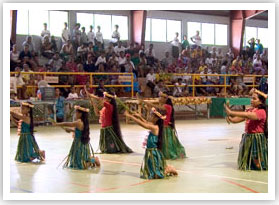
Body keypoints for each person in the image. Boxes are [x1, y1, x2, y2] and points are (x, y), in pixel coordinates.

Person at [124, 108, 178, 179]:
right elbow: (146, 122)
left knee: (157, 174)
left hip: (153, 152)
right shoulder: (153, 125)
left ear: (156, 118)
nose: (149, 116)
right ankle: (167, 168)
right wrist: (139, 116)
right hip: (149, 151)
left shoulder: (155, 127)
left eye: (151, 115)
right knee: (153, 171)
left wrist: (131, 117)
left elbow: (144, 125)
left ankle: (170, 169)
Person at [224, 90, 267, 170]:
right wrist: (230, 118)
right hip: (248, 138)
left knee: (258, 163)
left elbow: (247, 115)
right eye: (251, 98)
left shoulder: (262, 112)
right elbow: (235, 120)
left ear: (261, 101)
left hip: (256, 139)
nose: (251, 100)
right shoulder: (250, 110)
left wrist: (231, 112)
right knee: (249, 163)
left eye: (254, 99)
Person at [139, 92, 186, 159]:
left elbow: (157, 108)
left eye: (161, 97)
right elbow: (157, 112)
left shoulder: (167, 106)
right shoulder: (163, 106)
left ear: (165, 99)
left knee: (167, 143)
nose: (159, 98)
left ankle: (166, 154)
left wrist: (146, 102)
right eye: (160, 97)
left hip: (166, 127)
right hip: (162, 126)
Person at [85, 89, 132, 153]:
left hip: (109, 129)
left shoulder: (110, 106)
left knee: (111, 149)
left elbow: (100, 100)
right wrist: (92, 101)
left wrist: (91, 95)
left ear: (109, 100)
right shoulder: (104, 108)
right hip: (104, 129)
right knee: (106, 149)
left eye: (105, 98)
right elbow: (97, 113)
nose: (103, 99)